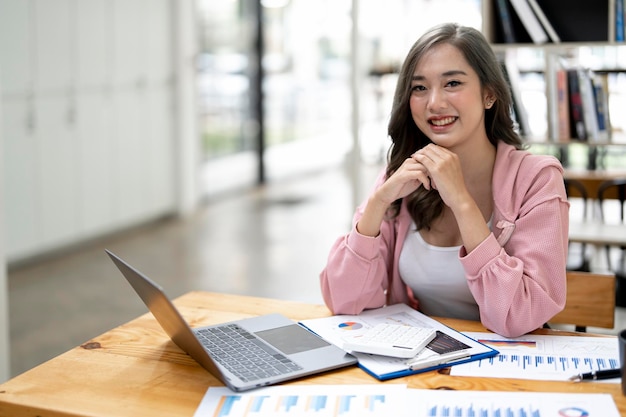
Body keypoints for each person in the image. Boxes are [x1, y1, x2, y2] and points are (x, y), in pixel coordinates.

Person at [319, 23, 569, 338]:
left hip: (509, 366)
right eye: (419, 88)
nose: (434, 103)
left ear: (489, 93)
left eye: (452, 83)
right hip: (422, 362)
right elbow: (344, 301)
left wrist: (462, 203)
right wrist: (378, 203)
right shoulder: (403, 174)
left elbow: (519, 315)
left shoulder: (536, 178)